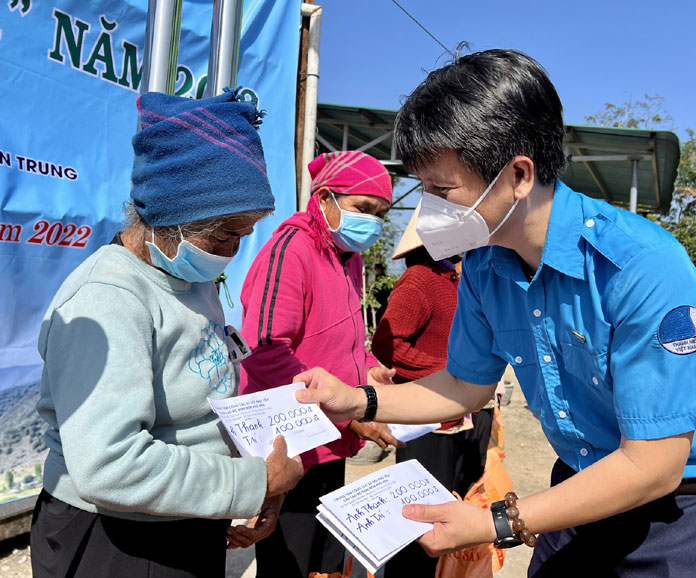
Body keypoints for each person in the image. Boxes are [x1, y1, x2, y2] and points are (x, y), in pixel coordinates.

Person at [294, 49, 696, 577]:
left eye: (442, 190)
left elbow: (652, 465)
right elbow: (465, 384)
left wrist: (495, 522)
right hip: (580, 487)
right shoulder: (483, 264)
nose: (428, 209)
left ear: (519, 174)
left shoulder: (641, 266)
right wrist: (358, 400)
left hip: (691, 513)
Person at [30, 90, 304, 578]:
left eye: (244, 235)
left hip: (177, 517)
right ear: (166, 216)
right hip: (116, 540)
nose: (233, 251)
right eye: (222, 236)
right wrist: (250, 481)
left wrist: (250, 484)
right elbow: (110, 466)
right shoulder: (108, 299)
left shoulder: (190, 278)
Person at [239, 150, 403, 578]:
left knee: (322, 561)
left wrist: (369, 368)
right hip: (292, 444)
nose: (373, 222)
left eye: (381, 214)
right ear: (325, 198)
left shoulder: (347, 256)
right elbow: (266, 349)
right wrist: (349, 416)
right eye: (363, 209)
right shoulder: (291, 248)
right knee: (290, 561)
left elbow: (339, 339)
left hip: (329, 436)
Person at [371, 205, 493, 577]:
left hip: (460, 414)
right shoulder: (419, 280)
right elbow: (386, 344)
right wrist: (443, 374)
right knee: (420, 521)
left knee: (454, 506)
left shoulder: (453, 278)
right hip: (428, 420)